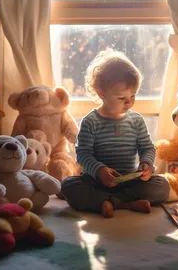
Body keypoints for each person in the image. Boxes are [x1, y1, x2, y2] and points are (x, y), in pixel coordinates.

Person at [61, 49, 169, 218]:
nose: (129, 102)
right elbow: (82, 154)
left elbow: (147, 147)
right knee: (69, 186)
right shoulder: (91, 121)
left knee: (162, 186)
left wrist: (146, 164)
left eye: (133, 95)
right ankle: (127, 203)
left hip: (130, 181)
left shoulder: (136, 120)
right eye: (121, 98)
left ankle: (110, 202)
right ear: (102, 94)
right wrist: (99, 170)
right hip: (97, 182)